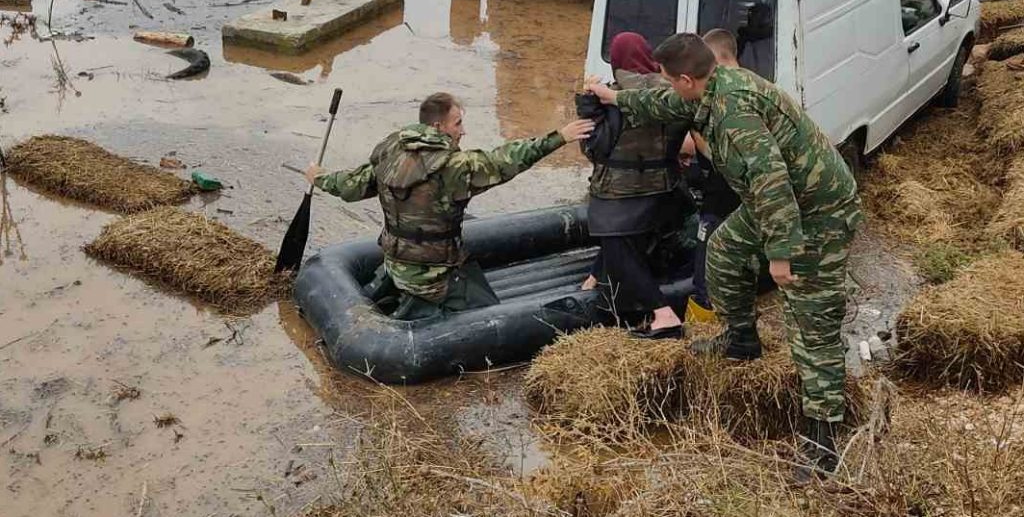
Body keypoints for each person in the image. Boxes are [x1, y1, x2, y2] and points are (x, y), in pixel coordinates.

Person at [585, 34, 862, 479]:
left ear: (688, 78)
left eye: (671, 82)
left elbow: (772, 181)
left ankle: (822, 441)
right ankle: (741, 340)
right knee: (723, 253)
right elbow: (665, 104)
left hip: (817, 212)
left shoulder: (735, 112)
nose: (670, 90)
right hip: (773, 204)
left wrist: (780, 254)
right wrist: (612, 96)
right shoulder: (710, 87)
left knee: (811, 321)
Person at [306, 93, 594, 320]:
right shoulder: (454, 169)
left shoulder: (390, 154)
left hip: (395, 265)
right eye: (457, 124)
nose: (463, 131)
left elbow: (350, 185)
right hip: (435, 277)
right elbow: (506, 160)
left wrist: (320, 178)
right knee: (489, 313)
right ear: (437, 127)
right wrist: (559, 137)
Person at [578, 33, 690, 339]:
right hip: (664, 191)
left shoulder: (612, 98)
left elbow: (594, 149)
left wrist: (587, 107)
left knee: (616, 240)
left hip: (621, 194)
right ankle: (596, 275)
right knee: (625, 242)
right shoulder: (672, 93)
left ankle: (662, 313)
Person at [682, 29, 744, 324]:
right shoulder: (758, 87)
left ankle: (702, 329)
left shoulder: (729, 97)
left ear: (716, 59)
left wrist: (694, 138)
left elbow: (724, 157)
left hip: (723, 200)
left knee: (705, 272)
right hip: (746, 203)